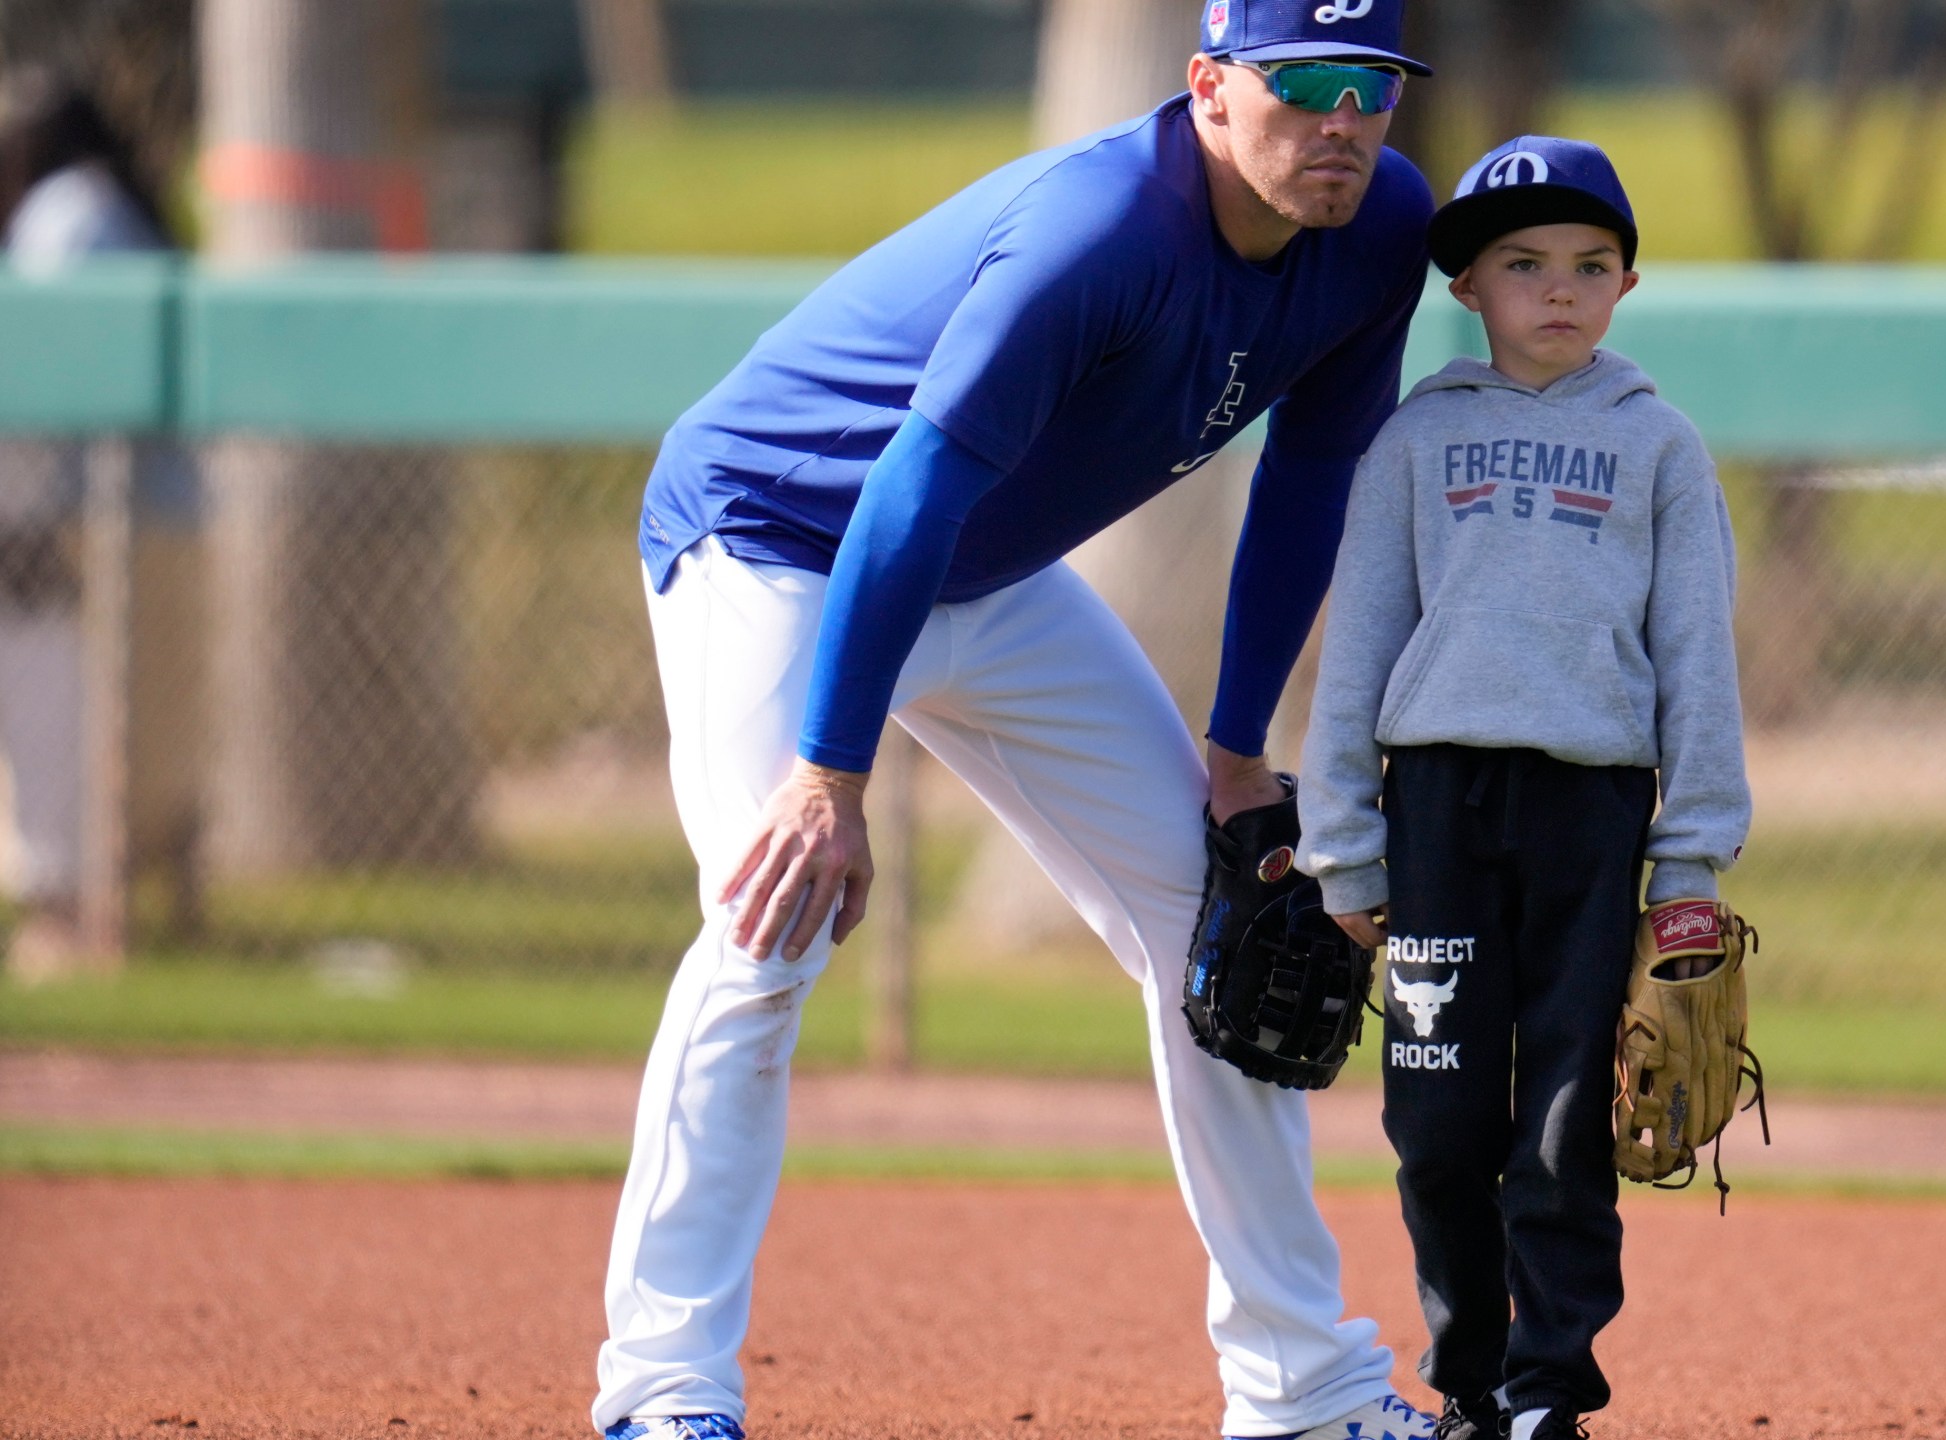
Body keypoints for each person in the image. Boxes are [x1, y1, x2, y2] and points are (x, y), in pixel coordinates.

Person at [596, 3, 1440, 1437]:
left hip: (984, 573)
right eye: (1304, 82)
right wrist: (828, 773)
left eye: (1374, 83)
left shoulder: (1377, 232)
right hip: (783, 540)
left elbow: (1307, 489)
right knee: (767, 928)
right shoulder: (1099, 232)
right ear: (1211, 88)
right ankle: (661, 1395)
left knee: (1226, 934)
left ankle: (1305, 1391)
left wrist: (1237, 755)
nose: (1345, 119)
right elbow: (906, 495)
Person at [1296, 137, 1753, 1440]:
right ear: (1468, 289)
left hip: (1593, 813)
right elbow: (1361, 646)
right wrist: (1343, 844)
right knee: (1438, 1122)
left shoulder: (1659, 446)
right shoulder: (1415, 442)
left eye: (1590, 265)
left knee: (1563, 1122)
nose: (1559, 289)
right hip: (1434, 808)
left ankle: (1549, 1393)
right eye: (1524, 264)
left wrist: (1692, 863)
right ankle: (1468, 1388)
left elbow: (1696, 661)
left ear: (1627, 285)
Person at [0, 67, 172, 978]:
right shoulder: (91, 202)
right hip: (103, 525)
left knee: (82, 734)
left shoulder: (66, 209)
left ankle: (73, 916)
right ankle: (78, 908)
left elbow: (48, 371)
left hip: (83, 526)